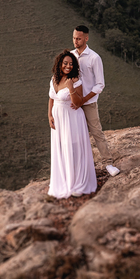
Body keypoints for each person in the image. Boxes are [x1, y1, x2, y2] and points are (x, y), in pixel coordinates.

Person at [70, 25, 120, 176]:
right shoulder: (70, 56)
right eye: (74, 38)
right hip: (73, 104)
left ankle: (108, 163)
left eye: (78, 38)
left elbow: (100, 84)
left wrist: (84, 99)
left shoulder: (94, 57)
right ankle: (81, 167)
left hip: (89, 103)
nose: (75, 41)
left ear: (86, 38)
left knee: (97, 132)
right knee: (76, 135)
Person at [47, 51, 97, 198]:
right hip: (58, 119)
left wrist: (71, 88)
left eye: (71, 64)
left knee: (73, 148)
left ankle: (76, 183)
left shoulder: (75, 80)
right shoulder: (54, 79)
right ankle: (63, 180)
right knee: (61, 148)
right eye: (65, 63)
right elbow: (51, 98)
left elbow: (78, 103)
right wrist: (49, 115)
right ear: (60, 64)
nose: (68, 66)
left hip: (72, 119)